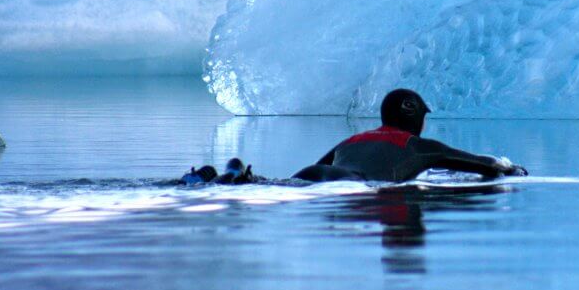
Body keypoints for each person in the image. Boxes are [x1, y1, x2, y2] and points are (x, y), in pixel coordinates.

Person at [293, 89, 528, 183]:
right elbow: (484, 165)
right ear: (415, 116)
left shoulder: (352, 140)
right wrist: (511, 169)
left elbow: (317, 166)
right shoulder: (418, 146)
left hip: (311, 175)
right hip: (350, 185)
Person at [178, 158, 258, 185]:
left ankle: (196, 178)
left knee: (210, 170)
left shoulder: (215, 177)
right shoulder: (246, 178)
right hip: (241, 182)